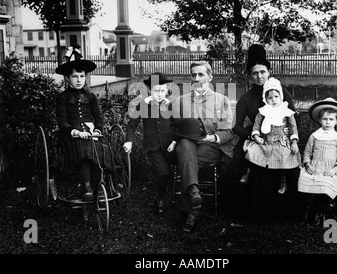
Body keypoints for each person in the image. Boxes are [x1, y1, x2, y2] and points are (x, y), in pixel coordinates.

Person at [227, 43, 303, 223]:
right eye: (255, 73)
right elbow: (236, 127)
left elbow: (293, 117)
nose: (259, 76)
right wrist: (254, 136)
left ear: (269, 71)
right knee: (248, 166)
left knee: (287, 165)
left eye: (262, 72)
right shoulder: (246, 99)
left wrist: (287, 133)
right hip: (258, 140)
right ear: (250, 75)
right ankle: (255, 213)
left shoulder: (280, 93)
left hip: (281, 140)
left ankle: (285, 213)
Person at [171, 60, 236, 233]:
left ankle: (191, 200)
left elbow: (229, 132)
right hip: (186, 144)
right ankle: (193, 200)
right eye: (194, 75)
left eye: (201, 74)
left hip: (211, 147)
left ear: (210, 77)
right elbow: (173, 129)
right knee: (185, 147)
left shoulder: (221, 100)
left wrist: (212, 137)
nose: (197, 78)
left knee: (187, 162)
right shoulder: (180, 101)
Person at [53, 44, 113, 211]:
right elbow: (62, 121)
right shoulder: (62, 98)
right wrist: (74, 131)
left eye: (81, 76)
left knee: (100, 148)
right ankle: (87, 188)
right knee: (83, 148)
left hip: (91, 132)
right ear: (67, 78)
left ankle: (98, 188)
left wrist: (97, 129)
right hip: (71, 135)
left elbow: (98, 118)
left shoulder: (91, 96)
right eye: (74, 77)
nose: (79, 80)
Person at [123, 72, 176, 215]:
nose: (159, 94)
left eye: (162, 91)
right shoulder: (143, 105)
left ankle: (181, 196)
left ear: (167, 90)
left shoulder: (170, 105)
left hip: (170, 145)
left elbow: (178, 125)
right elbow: (132, 125)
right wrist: (129, 142)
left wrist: (176, 141)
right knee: (164, 171)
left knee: (177, 168)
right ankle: (160, 198)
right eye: (156, 91)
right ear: (149, 90)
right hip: (153, 147)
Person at [241, 77, 301, 194]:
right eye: (270, 98)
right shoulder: (263, 111)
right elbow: (256, 126)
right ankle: (248, 172)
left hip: (282, 142)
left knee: (284, 157)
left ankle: (282, 181)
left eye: (276, 97)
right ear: (265, 99)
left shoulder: (286, 112)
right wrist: (257, 137)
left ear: (281, 97)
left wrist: (294, 142)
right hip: (266, 141)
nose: (273, 100)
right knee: (252, 151)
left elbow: (293, 128)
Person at [298, 98, 337, 225]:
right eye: (325, 119)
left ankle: (322, 212)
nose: (327, 122)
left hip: (330, 168)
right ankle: (311, 210)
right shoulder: (315, 135)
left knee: (326, 183)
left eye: (331, 119)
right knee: (305, 179)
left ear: (336, 121)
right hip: (314, 166)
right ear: (320, 120)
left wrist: (334, 169)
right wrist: (307, 164)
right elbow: (307, 153)